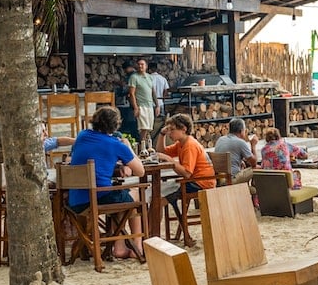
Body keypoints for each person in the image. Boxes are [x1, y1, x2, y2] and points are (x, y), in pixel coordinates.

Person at [67, 106, 144, 259]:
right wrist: (128, 148)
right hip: (98, 199)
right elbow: (141, 171)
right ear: (116, 125)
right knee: (134, 193)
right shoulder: (116, 144)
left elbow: (95, 156)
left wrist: (120, 164)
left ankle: (120, 248)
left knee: (120, 197)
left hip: (76, 201)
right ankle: (137, 246)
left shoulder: (82, 136)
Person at [154, 113, 216, 235]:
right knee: (157, 195)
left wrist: (170, 161)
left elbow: (187, 173)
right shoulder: (180, 144)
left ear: (183, 129)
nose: (170, 133)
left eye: (172, 130)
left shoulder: (189, 145)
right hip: (193, 181)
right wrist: (162, 134)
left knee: (158, 200)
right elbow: (161, 151)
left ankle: (153, 234)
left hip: (200, 183)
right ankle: (152, 233)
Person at [213, 117, 258, 184]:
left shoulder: (220, 139)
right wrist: (253, 145)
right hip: (232, 178)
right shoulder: (240, 142)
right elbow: (254, 163)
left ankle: (250, 190)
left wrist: (240, 161)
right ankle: (257, 192)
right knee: (258, 169)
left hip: (220, 178)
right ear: (241, 131)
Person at [125, 59, 155, 145]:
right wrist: (135, 107)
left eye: (142, 64)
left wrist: (157, 105)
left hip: (150, 105)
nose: (140, 66)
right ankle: (143, 148)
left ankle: (148, 147)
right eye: (138, 64)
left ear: (146, 66)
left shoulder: (149, 77)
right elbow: (131, 93)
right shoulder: (134, 77)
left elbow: (153, 91)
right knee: (143, 128)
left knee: (149, 128)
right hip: (141, 105)